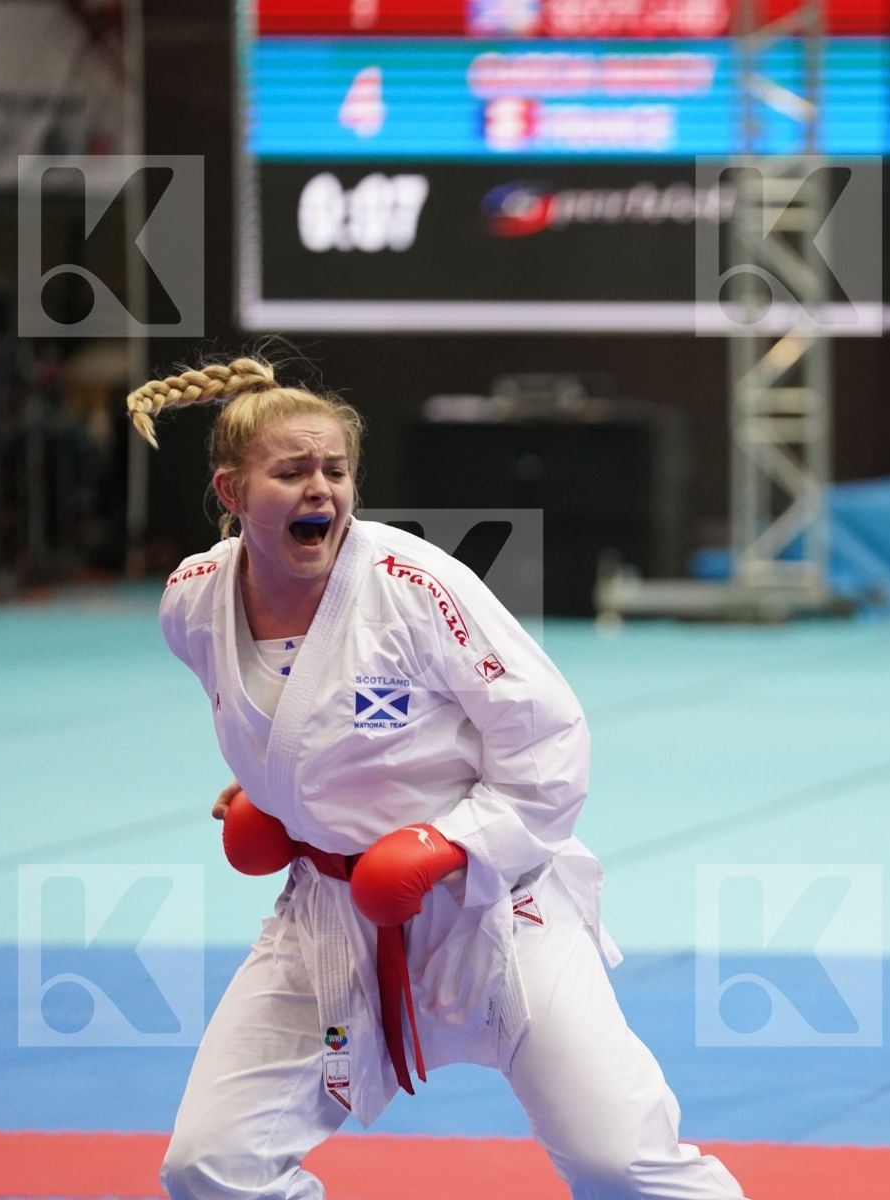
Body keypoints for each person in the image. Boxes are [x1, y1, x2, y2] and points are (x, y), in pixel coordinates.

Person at [130, 356, 747, 1200]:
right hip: (329, 915)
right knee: (210, 1164)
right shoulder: (192, 601)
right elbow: (271, 710)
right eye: (292, 472)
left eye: (335, 471)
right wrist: (271, 790)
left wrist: (449, 842)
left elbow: (549, 740)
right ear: (232, 493)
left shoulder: (415, 587)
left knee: (620, 1161)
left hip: (498, 914)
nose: (321, 490)